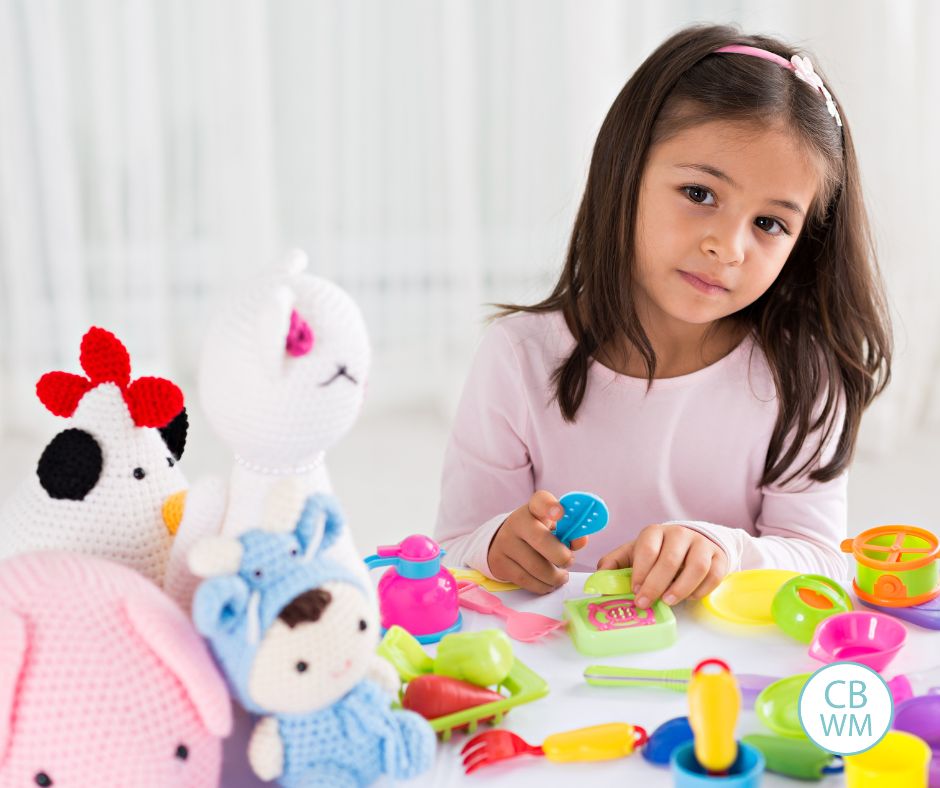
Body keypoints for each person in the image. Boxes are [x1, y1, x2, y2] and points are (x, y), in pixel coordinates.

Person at [433, 24, 892, 607]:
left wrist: (723, 549)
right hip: (559, 665)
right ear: (625, 172)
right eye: (700, 193)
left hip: (721, 668)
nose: (727, 247)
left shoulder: (803, 376)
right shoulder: (518, 358)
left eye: (769, 224)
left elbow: (821, 563)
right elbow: (449, 551)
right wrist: (495, 544)